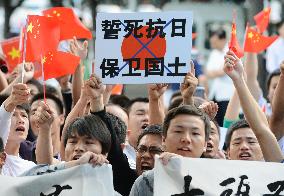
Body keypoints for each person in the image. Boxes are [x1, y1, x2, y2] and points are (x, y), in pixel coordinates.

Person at [130, 105, 211, 196]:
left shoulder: (217, 180)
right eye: (178, 131)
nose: (186, 139)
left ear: (205, 144)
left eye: (195, 133)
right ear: (164, 140)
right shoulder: (145, 182)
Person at [224, 51, 283, 162]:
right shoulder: (260, 106)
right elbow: (260, 130)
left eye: (251, 141)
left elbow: (269, 126)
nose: (244, 147)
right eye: (274, 86)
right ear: (227, 153)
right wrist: (239, 80)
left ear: (263, 150)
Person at [0, 83, 37, 176]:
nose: (21, 120)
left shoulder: (31, 168)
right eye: (13, 115)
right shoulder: (3, 118)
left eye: (24, 115)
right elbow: (3, 117)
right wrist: (12, 101)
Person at [205, 28, 233, 126]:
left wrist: (218, 72)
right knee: (215, 121)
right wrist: (220, 71)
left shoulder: (230, 51)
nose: (213, 44)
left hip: (227, 94)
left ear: (223, 39)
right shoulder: (214, 53)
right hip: (215, 93)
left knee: (226, 121)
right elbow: (208, 72)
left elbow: (226, 70)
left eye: (215, 41)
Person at [124, 97, 149, 169]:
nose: (147, 118)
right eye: (140, 113)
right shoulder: (119, 150)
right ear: (126, 118)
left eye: (151, 114)